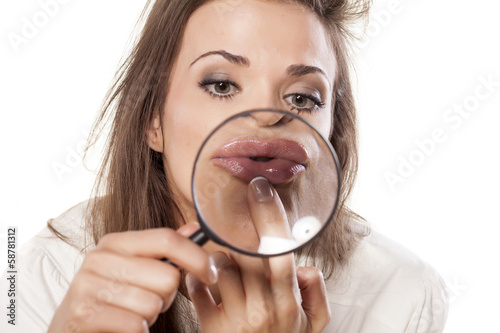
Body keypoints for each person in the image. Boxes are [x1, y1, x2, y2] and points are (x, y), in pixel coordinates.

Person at [0, 0, 449, 332]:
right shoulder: (51, 269)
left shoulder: (401, 292)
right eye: (221, 84)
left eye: (302, 98)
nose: (268, 114)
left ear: (330, 132)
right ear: (152, 121)